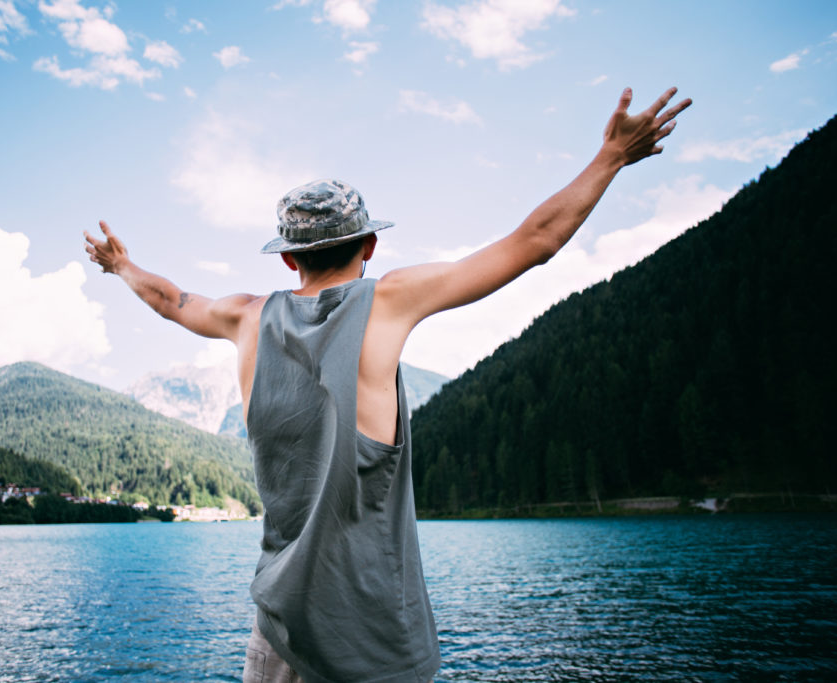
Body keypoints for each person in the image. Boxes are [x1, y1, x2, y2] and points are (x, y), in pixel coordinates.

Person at [84, 86, 691, 683]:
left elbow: (171, 300)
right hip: (371, 644)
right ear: (370, 245)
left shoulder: (244, 317)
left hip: (277, 634)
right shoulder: (390, 301)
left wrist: (120, 266)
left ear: (288, 259)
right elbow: (535, 242)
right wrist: (610, 158)